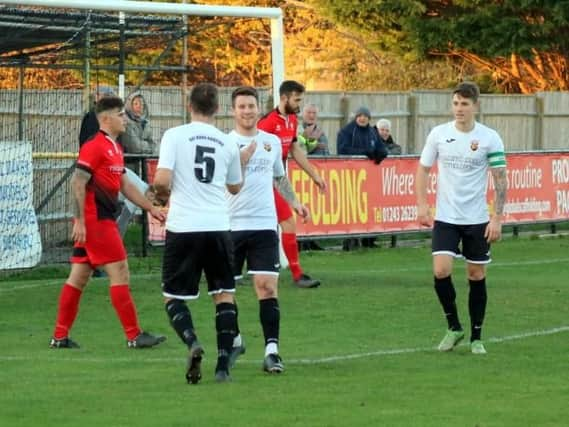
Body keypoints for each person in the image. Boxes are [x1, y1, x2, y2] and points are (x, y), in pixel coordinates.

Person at [49, 96, 167, 350]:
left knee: (78, 277)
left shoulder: (115, 147)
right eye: (120, 114)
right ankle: (134, 335)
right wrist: (79, 220)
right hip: (96, 222)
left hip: (98, 221)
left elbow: (125, 184)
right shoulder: (94, 146)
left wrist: (151, 209)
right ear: (105, 119)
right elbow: (77, 182)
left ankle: (59, 336)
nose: (125, 118)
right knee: (120, 271)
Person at [153, 83, 243, 384]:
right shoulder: (227, 142)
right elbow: (234, 186)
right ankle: (222, 367)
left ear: (188, 105)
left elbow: (162, 180)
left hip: (184, 227)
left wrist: (163, 197)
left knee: (173, 297)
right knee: (224, 295)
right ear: (217, 109)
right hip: (218, 225)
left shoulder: (174, 136)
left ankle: (192, 341)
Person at [415, 81, 507, 355]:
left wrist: (497, 217)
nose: (459, 109)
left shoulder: (490, 137)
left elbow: (500, 179)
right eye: (455, 103)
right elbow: (422, 170)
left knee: (475, 274)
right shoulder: (439, 134)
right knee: (440, 270)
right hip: (446, 218)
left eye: (464, 104)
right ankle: (454, 326)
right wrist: (422, 205)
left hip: (477, 219)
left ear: (475, 106)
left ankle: (476, 337)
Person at [226, 86, 311, 374]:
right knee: (226, 292)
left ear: (257, 108)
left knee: (267, 287)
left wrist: (295, 202)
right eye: (242, 107)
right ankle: (235, 339)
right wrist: (240, 161)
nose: (247, 111)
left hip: (263, 225)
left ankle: (272, 351)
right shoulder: (225, 144)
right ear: (233, 111)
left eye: (251, 106)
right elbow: (217, 183)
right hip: (230, 227)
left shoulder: (271, 142)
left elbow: (279, 177)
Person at [257, 80, 327, 288]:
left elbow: (295, 150)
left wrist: (314, 175)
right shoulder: (268, 124)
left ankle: (291, 272)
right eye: (296, 100)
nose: (299, 104)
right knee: (286, 222)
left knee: (276, 225)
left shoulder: (292, 119)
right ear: (284, 98)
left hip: (276, 181)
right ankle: (297, 274)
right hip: (264, 184)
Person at [337, 106, 388, 250]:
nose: (362, 118)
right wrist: (365, 153)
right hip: (350, 176)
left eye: (365, 116)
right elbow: (343, 150)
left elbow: (382, 148)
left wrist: (380, 154)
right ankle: (349, 241)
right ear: (355, 117)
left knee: (370, 207)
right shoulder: (347, 131)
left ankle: (369, 240)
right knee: (352, 208)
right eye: (359, 115)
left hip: (369, 178)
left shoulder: (373, 132)